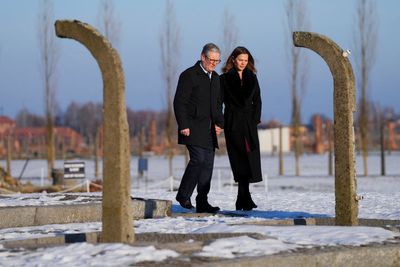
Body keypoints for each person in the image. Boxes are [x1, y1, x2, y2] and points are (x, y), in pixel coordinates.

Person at [173, 43, 224, 213]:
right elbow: (179, 102)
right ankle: (183, 195)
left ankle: (202, 202)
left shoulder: (216, 78)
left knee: (207, 166)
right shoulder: (189, 75)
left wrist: (219, 123)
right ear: (203, 57)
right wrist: (184, 125)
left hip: (209, 130)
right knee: (199, 160)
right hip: (192, 127)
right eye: (211, 60)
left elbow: (218, 106)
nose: (214, 64)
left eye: (217, 61)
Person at [220, 46, 262, 211]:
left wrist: (255, 119)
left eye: (246, 60)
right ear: (233, 59)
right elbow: (219, 103)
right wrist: (222, 121)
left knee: (249, 159)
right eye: (240, 60)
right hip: (233, 122)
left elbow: (258, 100)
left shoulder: (253, 77)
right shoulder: (223, 79)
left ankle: (243, 198)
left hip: (249, 124)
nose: (243, 63)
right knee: (239, 160)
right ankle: (244, 198)